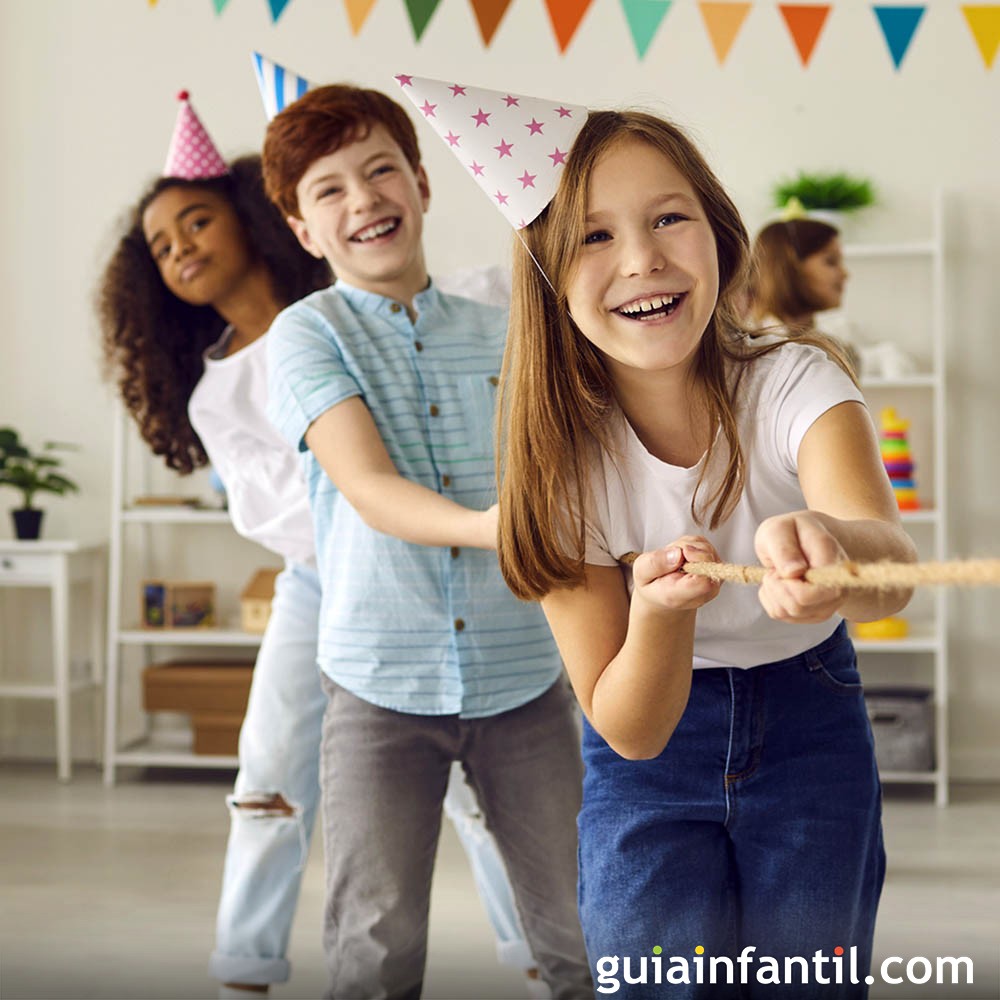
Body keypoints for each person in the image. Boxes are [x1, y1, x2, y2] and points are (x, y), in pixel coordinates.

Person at [98, 93, 550, 999]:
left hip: (450, 571)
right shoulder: (234, 382)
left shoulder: (398, 302)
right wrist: (394, 536)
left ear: (263, 225)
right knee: (271, 769)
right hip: (329, 582)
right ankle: (246, 963)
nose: (183, 246)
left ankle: (539, 953)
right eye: (162, 244)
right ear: (306, 221)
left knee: (480, 777)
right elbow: (298, 510)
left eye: (198, 221)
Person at [491, 109, 917, 997]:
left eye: (668, 217)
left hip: (812, 717)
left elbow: (892, 574)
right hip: (650, 757)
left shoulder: (796, 379)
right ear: (548, 280)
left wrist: (835, 550)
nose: (642, 258)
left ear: (720, 234)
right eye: (596, 235)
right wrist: (656, 617)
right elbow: (633, 730)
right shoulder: (559, 459)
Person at [261, 83, 592, 1000]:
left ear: (422, 183)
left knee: (582, 923)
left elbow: (569, 470)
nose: (362, 199)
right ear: (303, 230)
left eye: (380, 171)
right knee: (377, 937)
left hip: (524, 672)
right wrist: (506, 530)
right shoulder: (305, 333)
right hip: (377, 682)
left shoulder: (511, 331)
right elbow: (368, 487)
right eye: (328, 190)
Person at [748, 217, 859, 372]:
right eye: (831, 261)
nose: (845, 274)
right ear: (789, 266)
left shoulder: (838, 352)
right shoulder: (747, 351)